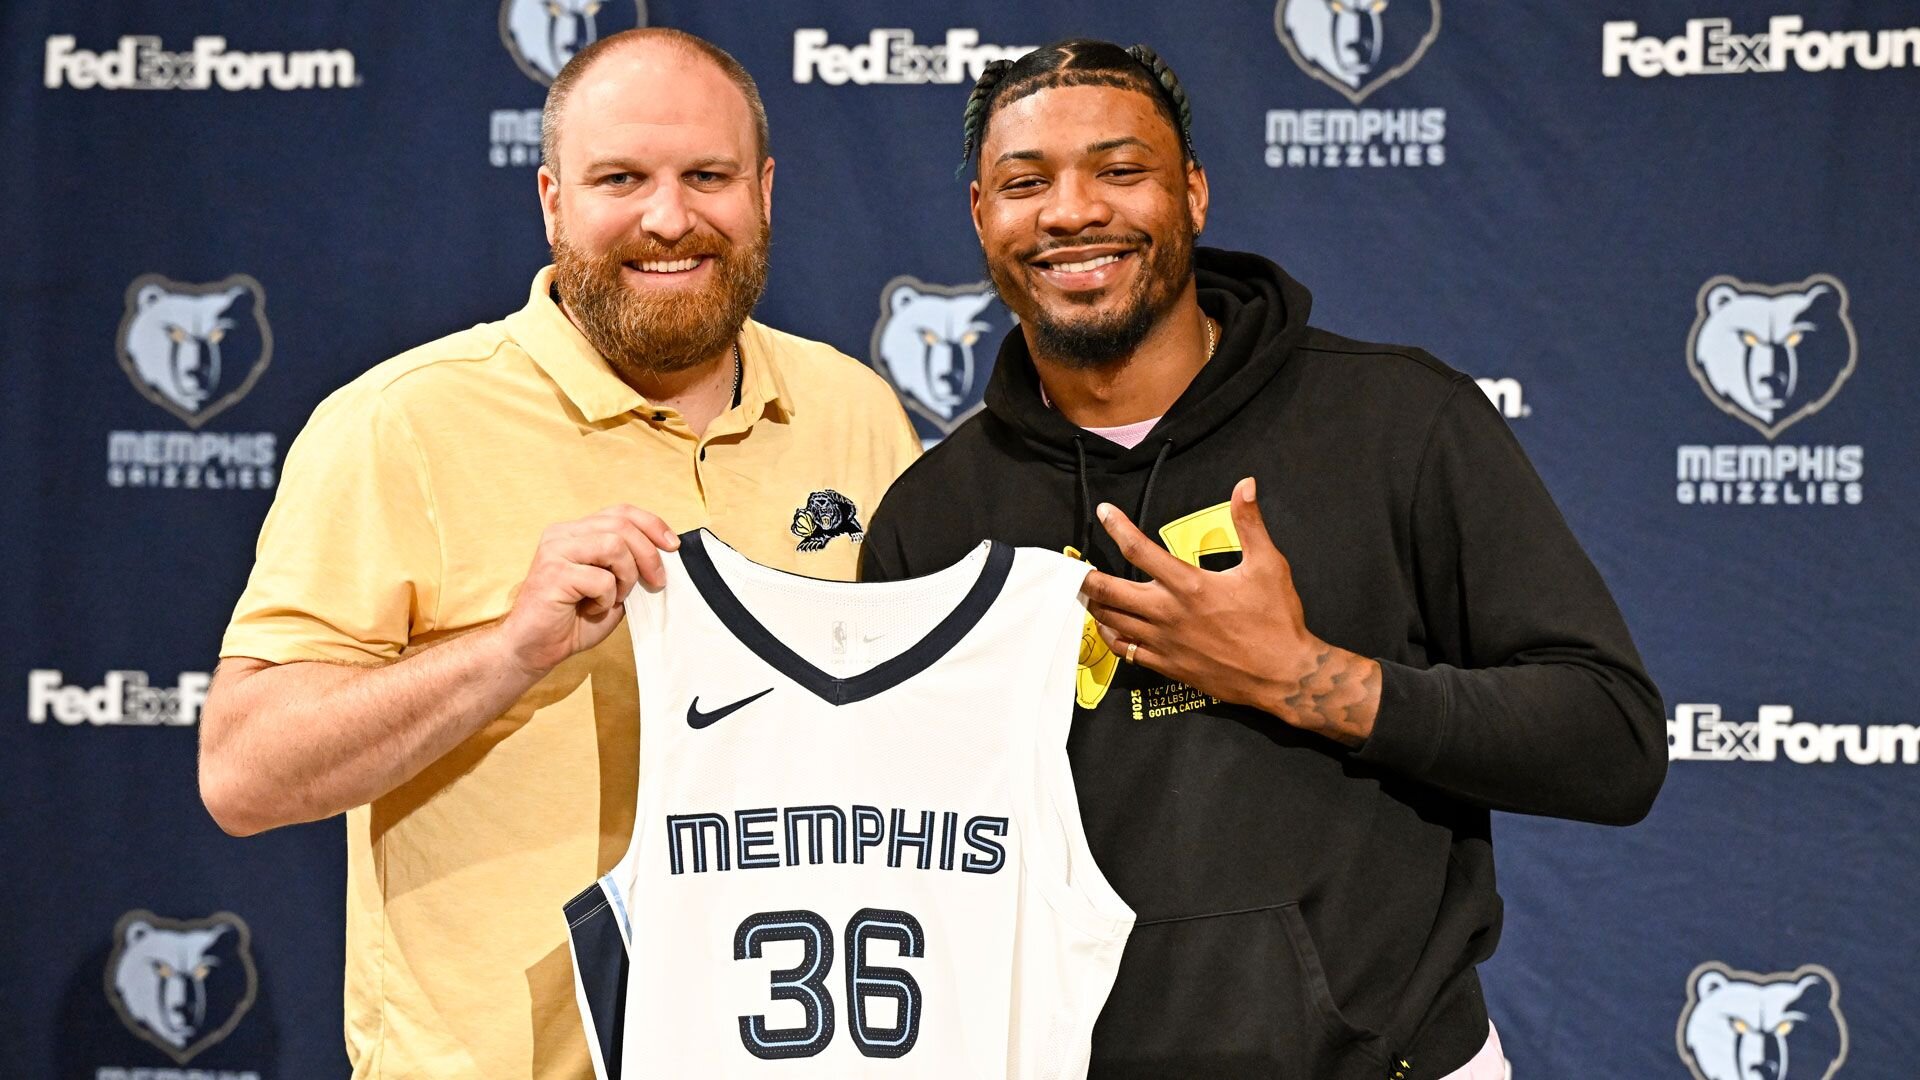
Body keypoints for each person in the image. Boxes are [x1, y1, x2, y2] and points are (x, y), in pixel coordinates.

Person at [860, 40, 1666, 1080]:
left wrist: (1304, 679)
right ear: (981, 214)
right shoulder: (933, 517)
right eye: (1027, 183)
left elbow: (1613, 743)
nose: (1070, 212)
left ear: (1192, 192)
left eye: (1120, 170)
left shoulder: (1398, 422)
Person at [198, 28, 919, 1078]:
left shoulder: (854, 411)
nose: (668, 218)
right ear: (551, 200)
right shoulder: (400, 423)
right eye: (620, 178)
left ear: (763, 190)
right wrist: (508, 651)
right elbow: (242, 772)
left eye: (707, 176)